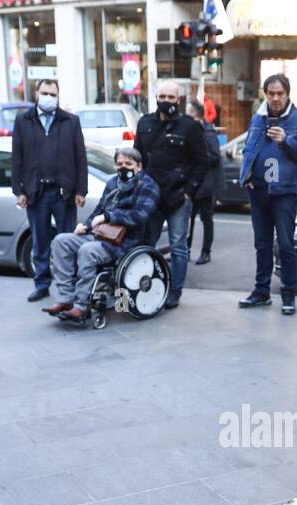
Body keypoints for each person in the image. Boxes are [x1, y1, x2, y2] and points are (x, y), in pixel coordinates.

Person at [41, 146, 160, 322]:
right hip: (101, 235)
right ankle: (65, 299)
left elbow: (140, 216)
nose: (124, 167)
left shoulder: (148, 185)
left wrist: (109, 216)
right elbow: (99, 210)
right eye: (120, 164)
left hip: (126, 241)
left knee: (87, 250)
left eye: (129, 163)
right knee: (61, 241)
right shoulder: (113, 183)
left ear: (139, 166)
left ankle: (81, 306)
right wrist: (86, 226)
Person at [237, 73, 297, 315]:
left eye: (280, 93)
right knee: (261, 244)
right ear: (265, 94)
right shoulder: (259, 116)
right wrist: (246, 177)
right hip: (259, 191)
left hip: (284, 192)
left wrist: (286, 140)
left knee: (286, 244)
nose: (275, 98)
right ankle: (261, 292)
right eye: (271, 93)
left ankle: (288, 295)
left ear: (287, 94)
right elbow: (249, 147)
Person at [10, 78, 87, 302]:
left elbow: (80, 158)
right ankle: (42, 284)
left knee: (67, 240)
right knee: (40, 241)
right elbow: (17, 158)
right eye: (45, 93)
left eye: (53, 94)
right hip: (36, 193)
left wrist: (81, 189)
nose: (49, 98)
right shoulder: (23, 121)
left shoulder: (70, 121)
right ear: (36, 94)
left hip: (65, 193)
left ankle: (69, 283)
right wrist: (19, 191)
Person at [136, 79, 207, 310]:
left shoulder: (190, 127)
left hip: (178, 197)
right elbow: (138, 159)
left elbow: (201, 162)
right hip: (151, 198)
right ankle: (143, 284)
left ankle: (174, 292)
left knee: (178, 247)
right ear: (156, 98)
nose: (166, 101)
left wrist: (189, 193)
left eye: (171, 98)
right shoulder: (145, 123)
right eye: (162, 97)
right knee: (147, 243)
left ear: (179, 99)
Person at [186, 98, 220, 265]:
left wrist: (199, 155)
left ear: (195, 115)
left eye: (189, 113)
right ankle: (185, 250)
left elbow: (215, 158)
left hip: (206, 185)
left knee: (206, 219)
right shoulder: (189, 131)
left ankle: (206, 252)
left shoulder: (209, 133)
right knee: (187, 218)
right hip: (191, 183)